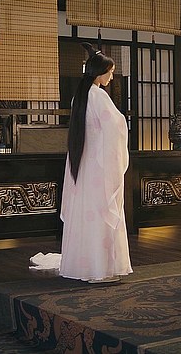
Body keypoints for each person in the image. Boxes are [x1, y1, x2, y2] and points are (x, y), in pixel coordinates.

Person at [59, 42, 132, 283]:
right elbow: (116, 127)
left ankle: (85, 266)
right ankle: (100, 270)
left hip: (83, 164)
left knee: (86, 214)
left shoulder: (79, 97)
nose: (111, 77)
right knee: (100, 214)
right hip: (98, 167)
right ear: (100, 72)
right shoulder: (99, 96)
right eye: (110, 72)